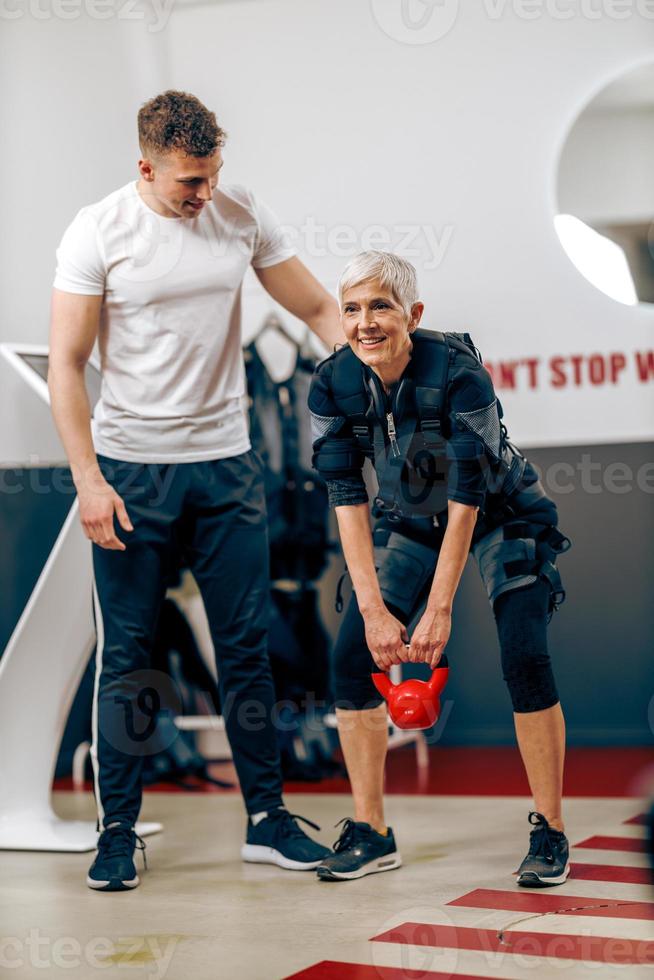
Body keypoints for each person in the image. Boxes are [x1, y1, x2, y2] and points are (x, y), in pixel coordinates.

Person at [48, 90, 342, 891]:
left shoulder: (240, 211)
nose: (204, 194)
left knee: (246, 649)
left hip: (226, 462)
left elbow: (316, 306)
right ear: (146, 167)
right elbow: (67, 365)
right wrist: (89, 481)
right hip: (132, 469)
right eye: (188, 183)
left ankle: (267, 820)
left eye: (212, 176)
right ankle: (115, 832)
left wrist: (376, 371)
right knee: (130, 657)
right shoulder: (97, 231)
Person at [308, 251, 571, 886]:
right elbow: (347, 497)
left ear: (413, 313)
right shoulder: (331, 381)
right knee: (351, 658)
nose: (364, 322)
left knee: (524, 655)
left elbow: (468, 496)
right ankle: (370, 832)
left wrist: (440, 607)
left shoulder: (460, 373)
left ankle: (551, 832)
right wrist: (373, 612)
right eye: (351, 308)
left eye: (380, 306)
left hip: (502, 513)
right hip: (411, 521)